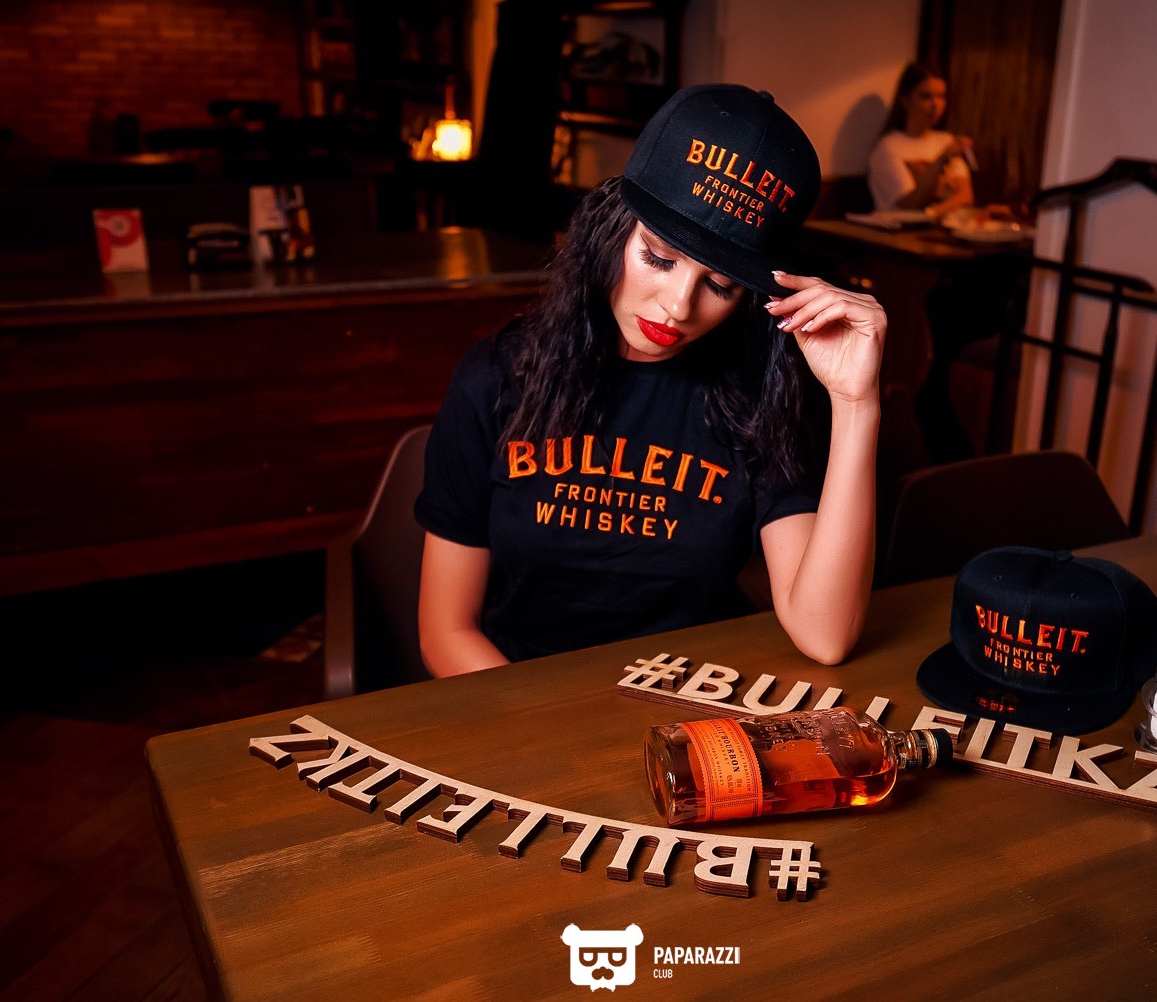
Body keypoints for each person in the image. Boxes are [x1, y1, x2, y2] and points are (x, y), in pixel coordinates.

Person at [414, 84, 888, 677]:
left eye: (721, 285)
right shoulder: (496, 378)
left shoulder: (759, 400)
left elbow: (826, 636)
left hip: (687, 703)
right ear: (610, 229)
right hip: (515, 700)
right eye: (659, 258)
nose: (679, 306)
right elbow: (445, 631)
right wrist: (548, 728)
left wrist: (855, 401)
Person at [867, 62, 974, 217]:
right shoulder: (888, 148)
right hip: (899, 228)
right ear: (905, 100)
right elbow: (911, 204)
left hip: (943, 226)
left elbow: (965, 196)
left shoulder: (945, 140)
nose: (936, 104)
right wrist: (941, 160)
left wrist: (933, 212)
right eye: (926, 97)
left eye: (941, 96)